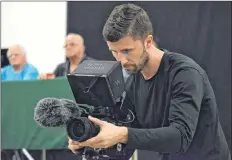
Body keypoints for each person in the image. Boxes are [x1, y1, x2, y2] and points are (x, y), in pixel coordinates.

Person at [68, 3, 231, 160]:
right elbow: (128, 143)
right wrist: (91, 141)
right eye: (114, 52)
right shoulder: (133, 83)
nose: (121, 60)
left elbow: (180, 137)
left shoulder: (184, 74)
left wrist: (122, 134)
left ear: (148, 41)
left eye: (127, 50)